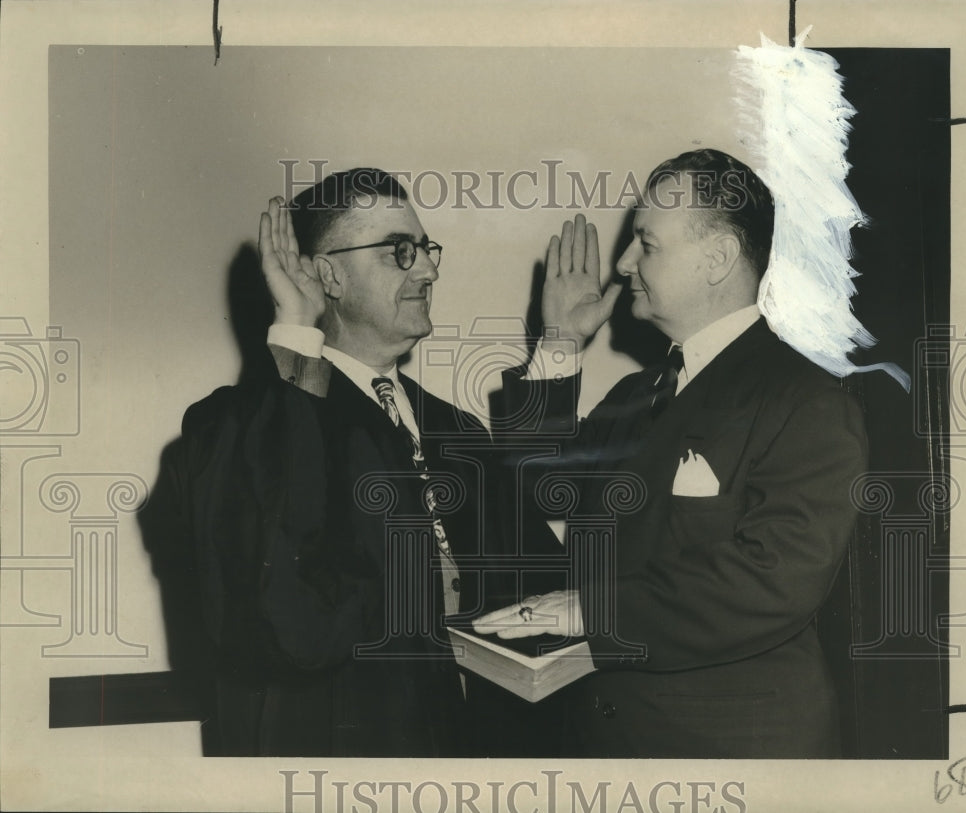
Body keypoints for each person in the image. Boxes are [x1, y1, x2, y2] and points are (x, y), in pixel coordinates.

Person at [142, 168, 562, 757]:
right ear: (328, 274)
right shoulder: (233, 425)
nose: (430, 269)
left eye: (426, 250)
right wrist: (295, 328)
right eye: (401, 251)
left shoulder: (457, 430)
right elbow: (282, 611)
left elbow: (550, 580)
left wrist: (561, 345)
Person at [474, 149, 869, 758]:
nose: (625, 263)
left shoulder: (806, 397)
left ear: (718, 259)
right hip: (612, 745)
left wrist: (592, 610)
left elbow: (774, 580)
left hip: (729, 754)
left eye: (647, 245)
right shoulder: (639, 393)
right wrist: (559, 344)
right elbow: (543, 497)